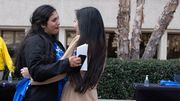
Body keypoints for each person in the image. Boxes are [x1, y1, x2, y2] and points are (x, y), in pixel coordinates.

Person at [13, 5, 81, 101]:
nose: (59, 23)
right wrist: (67, 63)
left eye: (58, 19)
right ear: (42, 24)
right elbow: (37, 71)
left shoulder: (55, 42)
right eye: (54, 20)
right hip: (39, 96)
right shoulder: (34, 41)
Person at [60, 6, 107, 101]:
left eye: (75, 21)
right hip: (90, 94)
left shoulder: (79, 40)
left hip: (73, 94)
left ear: (84, 23)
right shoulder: (101, 46)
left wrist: (34, 76)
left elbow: (60, 66)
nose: (74, 25)